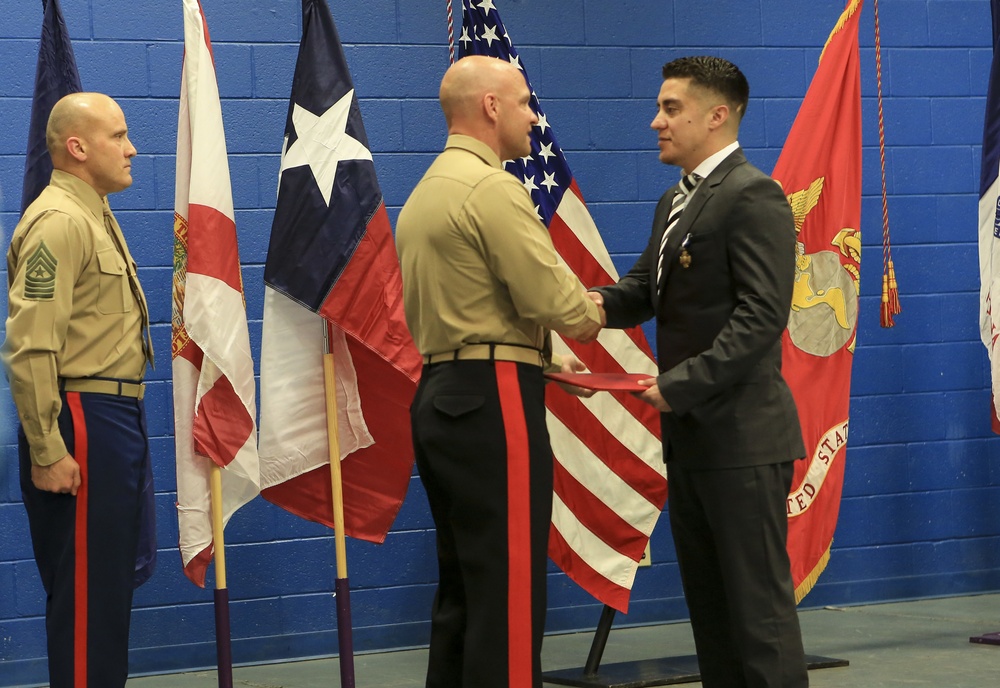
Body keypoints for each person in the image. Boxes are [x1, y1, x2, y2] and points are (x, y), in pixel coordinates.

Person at [591, 56, 809, 688]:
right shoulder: (677, 199)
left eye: (670, 109)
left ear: (717, 116)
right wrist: (575, 308)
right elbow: (642, 290)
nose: (656, 121)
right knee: (712, 613)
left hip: (742, 440)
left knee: (757, 615)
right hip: (692, 439)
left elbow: (761, 317)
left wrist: (677, 386)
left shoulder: (753, 194)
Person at [395, 55, 605, 688]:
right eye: (524, 103)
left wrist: (541, 351)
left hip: (441, 394)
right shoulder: (493, 189)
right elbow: (560, 303)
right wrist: (593, 310)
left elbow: (474, 302)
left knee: (463, 583)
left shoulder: (427, 189)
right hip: (494, 401)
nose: (534, 117)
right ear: (490, 107)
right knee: (509, 589)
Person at [3, 92, 156, 687]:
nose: (131, 147)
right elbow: (32, 345)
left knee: (103, 591)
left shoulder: (91, 212)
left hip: (107, 416)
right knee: (88, 598)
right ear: (78, 147)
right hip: (81, 419)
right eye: (118, 135)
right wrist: (48, 448)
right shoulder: (60, 221)